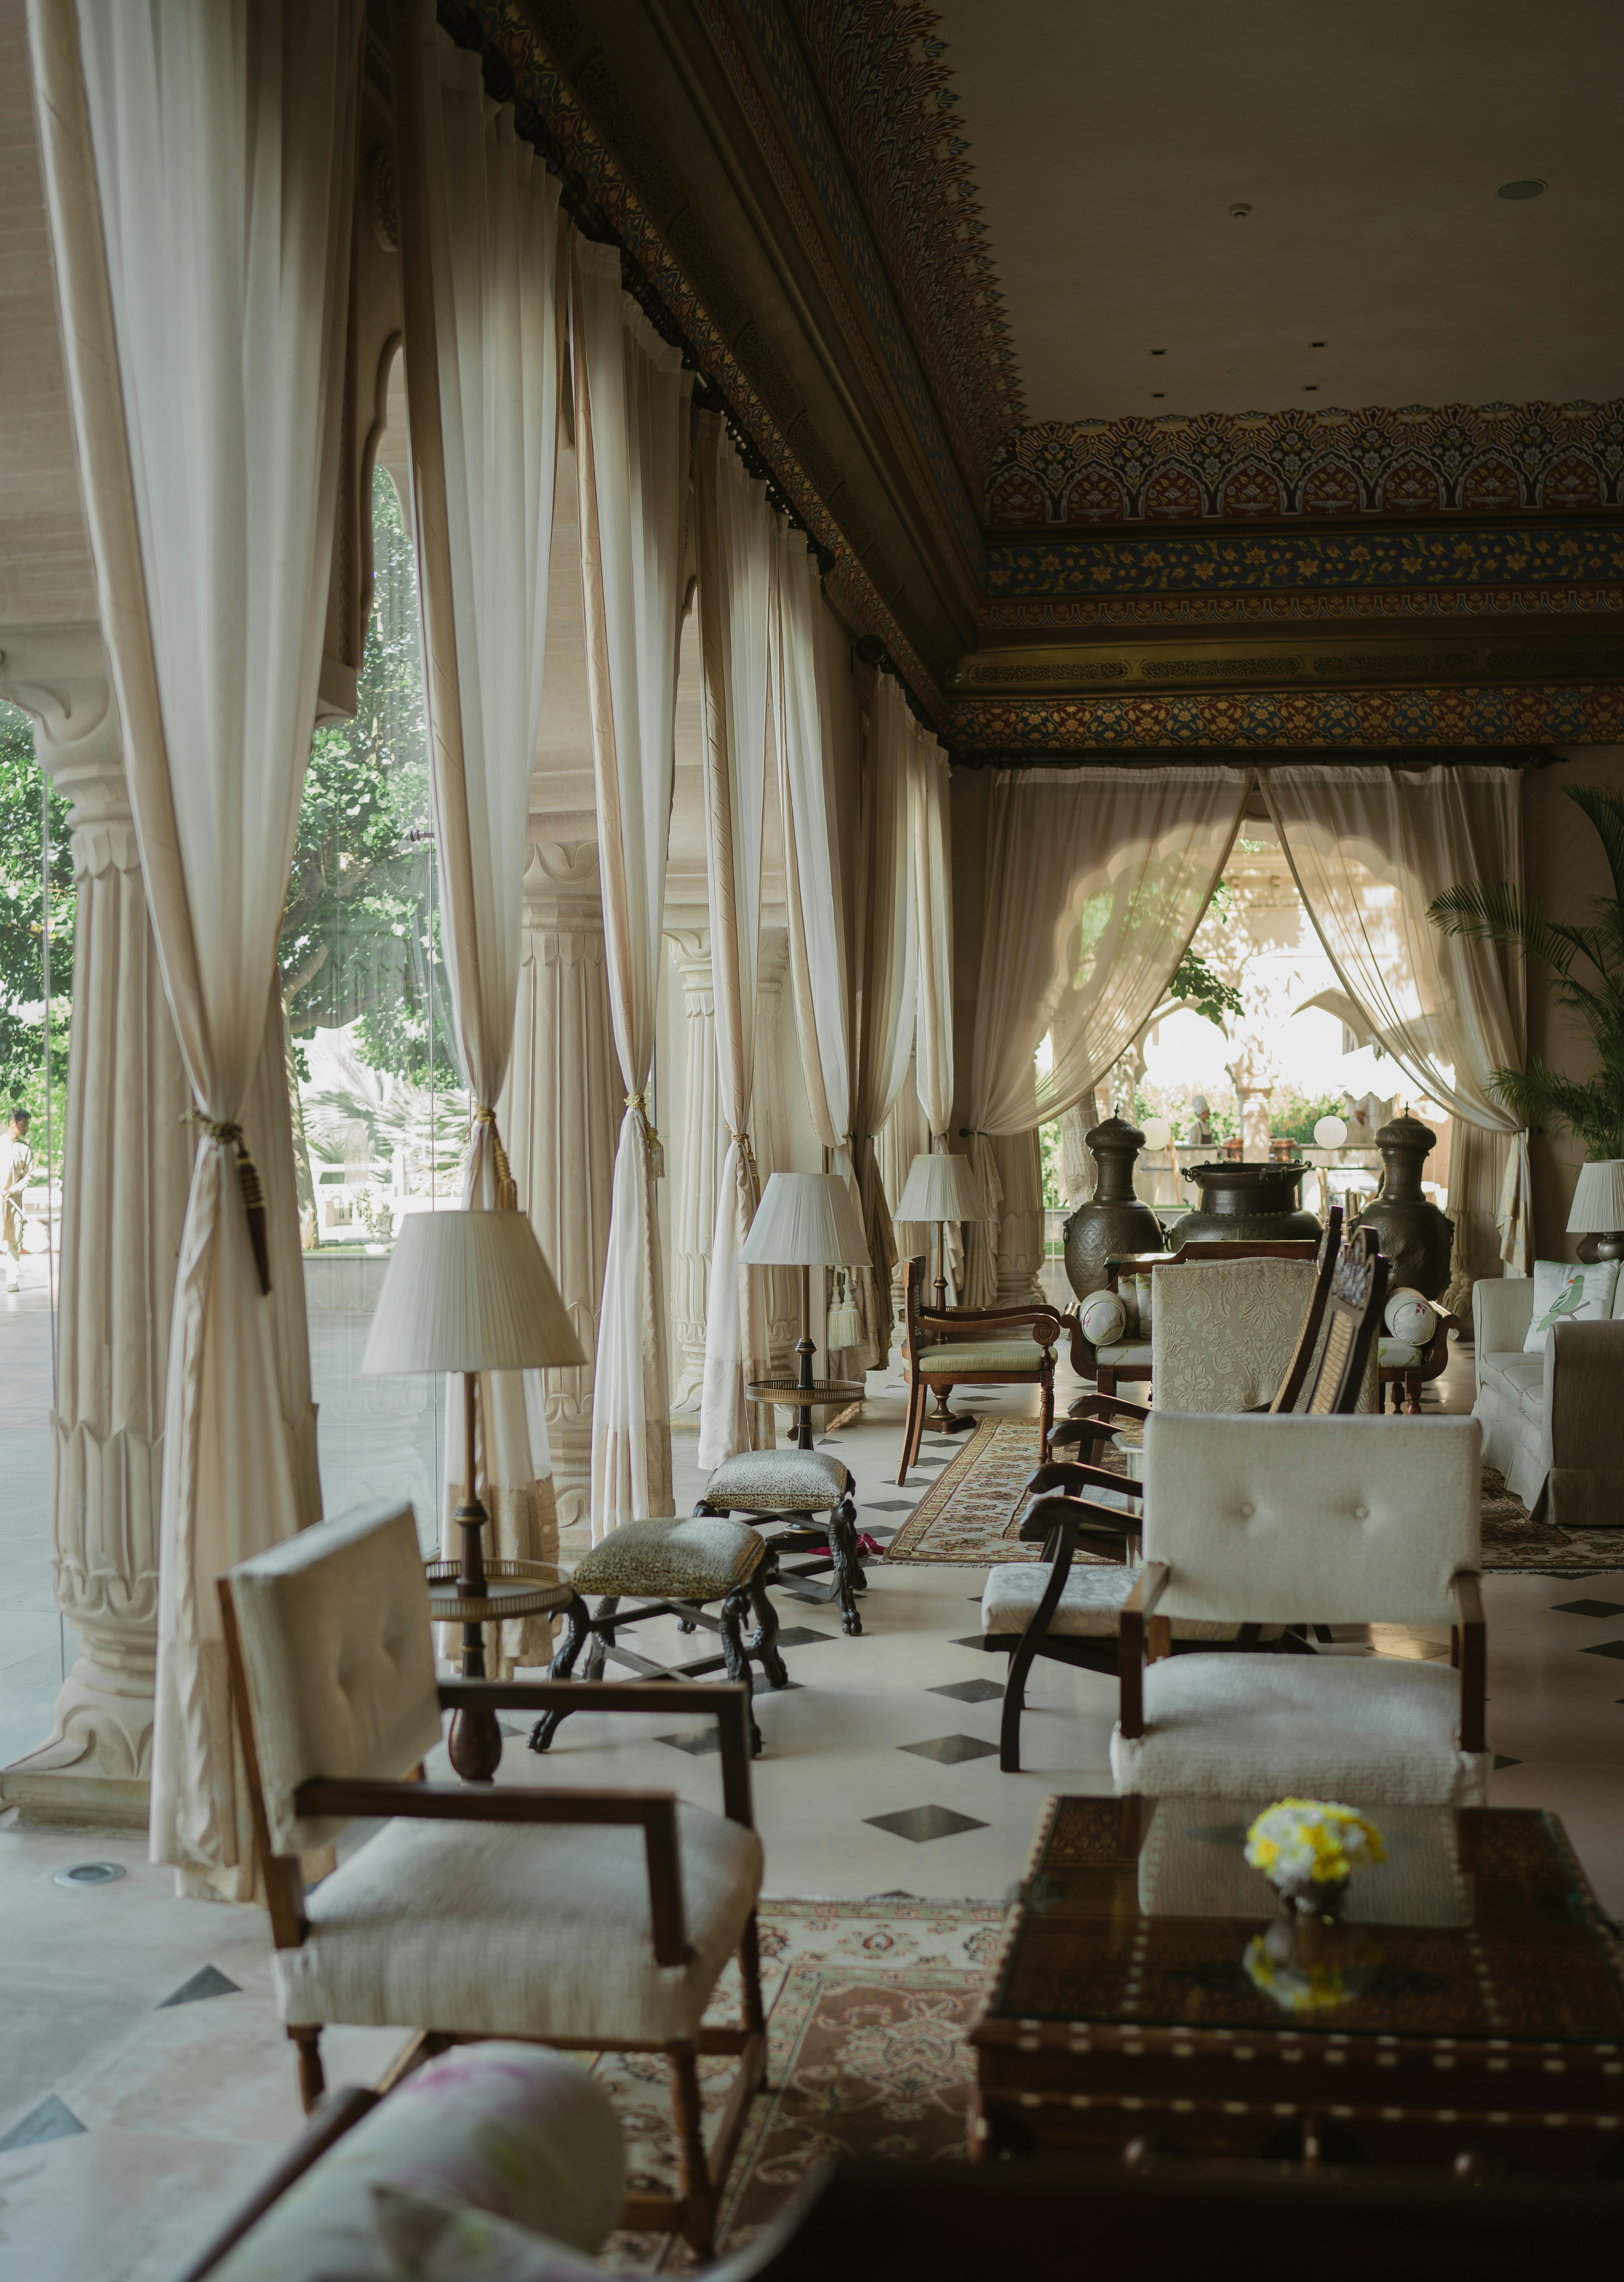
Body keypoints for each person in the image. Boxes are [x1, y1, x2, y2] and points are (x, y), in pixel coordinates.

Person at [3, 1108, 33, 1292]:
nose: (26, 1128)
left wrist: (13, 1190)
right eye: (24, 1124)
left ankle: (12, 1281)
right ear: (13, 1123)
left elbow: (29, 1176)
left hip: (14, 1203)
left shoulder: (25, 1150)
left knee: (13, 1239)